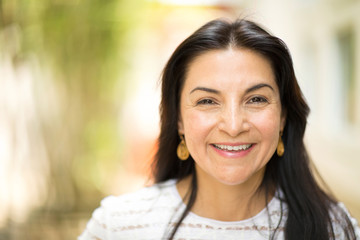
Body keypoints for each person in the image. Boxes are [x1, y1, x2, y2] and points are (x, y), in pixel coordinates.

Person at [78, 18, 360, 240]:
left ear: (283, 116)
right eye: (207, 101)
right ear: (178, 120)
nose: (234, 126)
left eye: (256, 99)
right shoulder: (120, 226)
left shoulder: (333, 228)